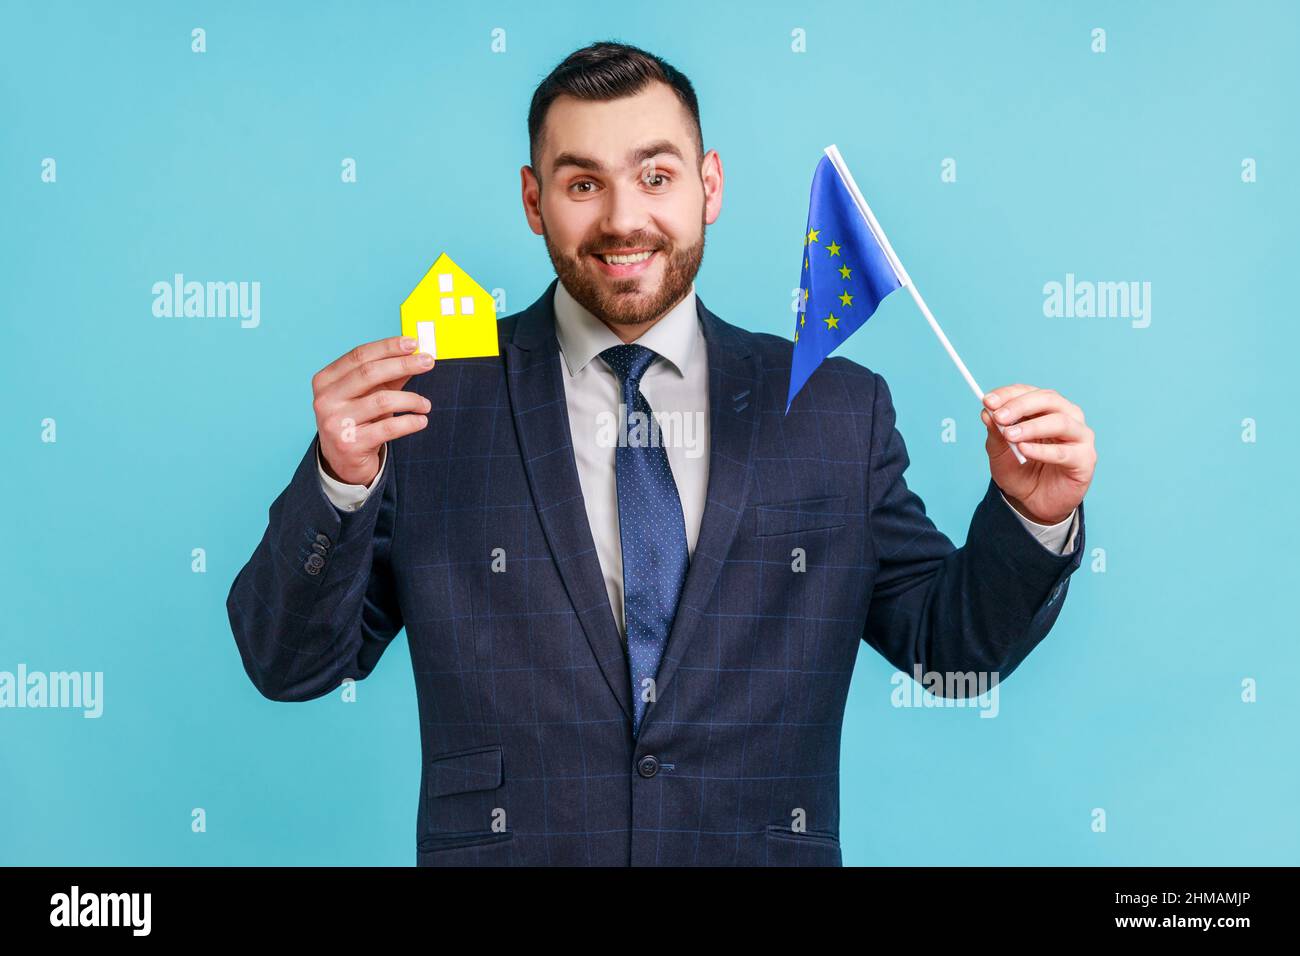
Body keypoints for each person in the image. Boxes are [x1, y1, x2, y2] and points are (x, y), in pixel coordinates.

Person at [227, 41, 1096, 866]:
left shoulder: (837, 410)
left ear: (708, 186)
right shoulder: (432, 404)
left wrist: (1034, 515)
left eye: (656, 175)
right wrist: (339, 485)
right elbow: (291, 666)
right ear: (533, 201)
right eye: (582, 184)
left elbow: (952, 658)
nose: (622, 218)